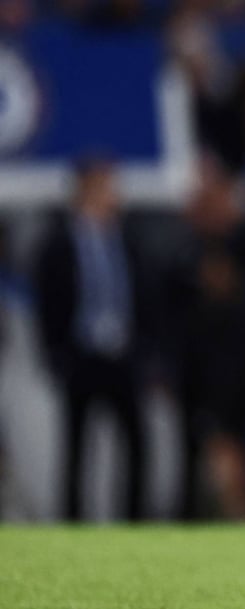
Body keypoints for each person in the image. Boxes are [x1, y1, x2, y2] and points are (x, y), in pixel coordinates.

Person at [34, 158, 150, 520]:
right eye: (104, 185)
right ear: (85, 190)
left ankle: (134, 520)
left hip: (121, 354)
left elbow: (144, 296)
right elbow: (48, 301)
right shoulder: (60, 244)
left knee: (136, 443)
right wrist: (56, 353)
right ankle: (72, 518)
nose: (113, 194)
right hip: (81, 354)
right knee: (77, 447)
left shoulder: (128, 240)